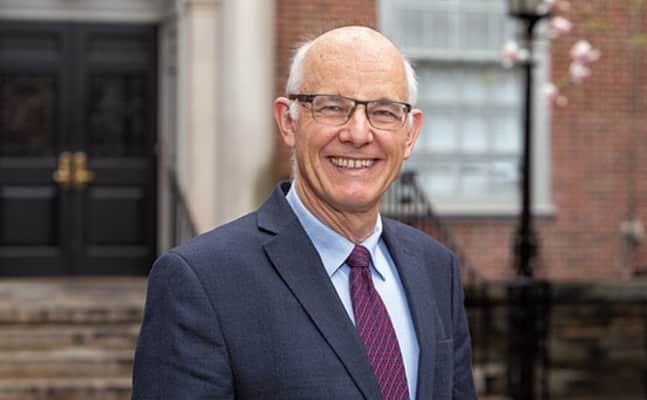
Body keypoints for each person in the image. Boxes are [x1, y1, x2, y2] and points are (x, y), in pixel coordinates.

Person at [132, 26, 478, 400]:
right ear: (288, 122)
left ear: (410, 134)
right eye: (332, 107)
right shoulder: (201, 281)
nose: (358, 134)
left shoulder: (435, 267)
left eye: (383, 112)